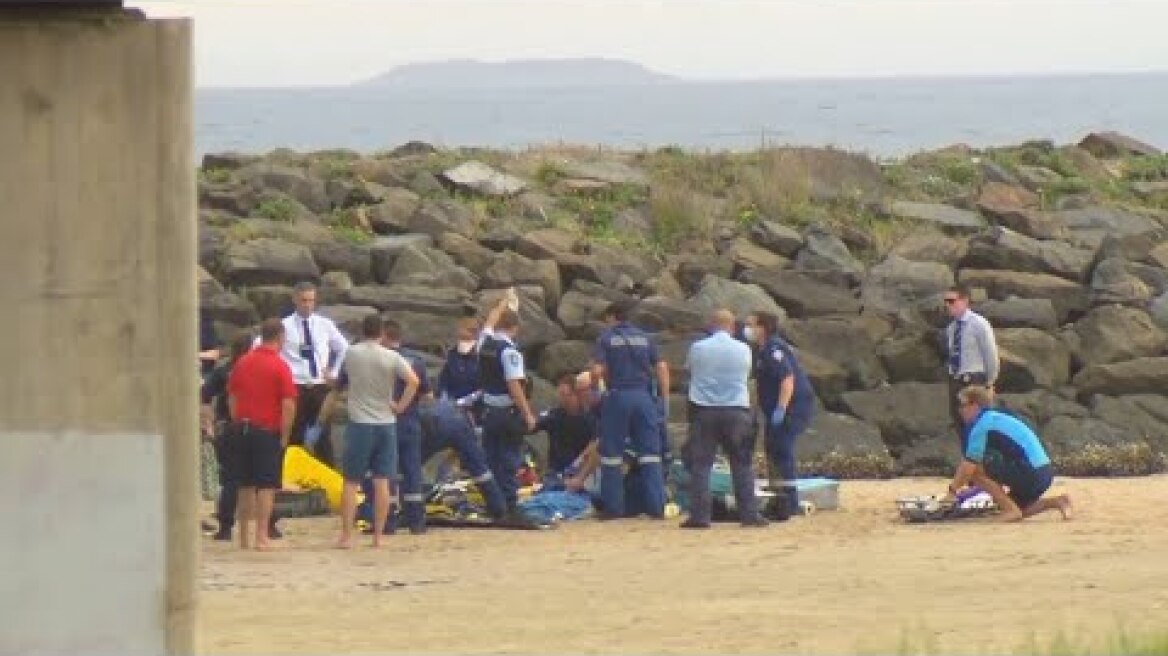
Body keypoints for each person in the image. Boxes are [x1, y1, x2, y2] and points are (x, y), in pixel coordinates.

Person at [329, 314, 420, 549]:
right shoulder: (391, 356)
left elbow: (340, 380)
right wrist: (400, 406)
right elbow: (414, 381)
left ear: (362, 331)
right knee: (383, 482)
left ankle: (347, 535)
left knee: (351, 482)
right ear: (382, 333)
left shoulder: (352, 353)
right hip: (386, 423)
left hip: (360, 422)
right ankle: (379, 536)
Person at [682, 309, 767, 529]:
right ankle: (749, 515)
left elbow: (691, 371)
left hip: (704, 409)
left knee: (701, 465)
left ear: (712, 325)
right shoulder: (743, 349)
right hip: (736, 410)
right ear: (732, 327)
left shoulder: (698, 348)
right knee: (742, 464)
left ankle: (700, 516)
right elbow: (746, 375)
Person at [944, 385, 1072, 522]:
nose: (960, 410)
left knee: (975, 470)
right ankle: (1058, 501)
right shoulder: (998, 416)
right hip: (1045, 472)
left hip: (1031, 472)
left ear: (974, 405)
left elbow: (968, 467)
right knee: (1021, 509)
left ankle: (1009, 510)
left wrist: (952, 492)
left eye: (962, 405)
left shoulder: (981, 425)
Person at [591, 300, 671, 519]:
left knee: (612, 456)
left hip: (618, 397)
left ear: (611, 318)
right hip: (644, 398)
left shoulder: (606, 339)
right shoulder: (646, 338)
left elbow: (597, 371)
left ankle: (613, 508)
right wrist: (664, 398)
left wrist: (596, 392)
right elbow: (662, 367)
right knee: (651, 454)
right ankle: (656, 507)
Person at [226, 318, 298, 550]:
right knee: (266, 485)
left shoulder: (242, 362)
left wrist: (237, 419)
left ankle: (244, 537)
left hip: (242, 427)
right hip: (266, 430)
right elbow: (288, 404)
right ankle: (261, 536)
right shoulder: (280, 366)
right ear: (280, 338)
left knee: (245, 484)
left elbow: (232, 397)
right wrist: (284, 434)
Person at [202, 330, 280, 541]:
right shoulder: (256, 367)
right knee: (263, 479)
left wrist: (210, 423)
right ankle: (268, 525)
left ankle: (227, 526)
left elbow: (205, 397)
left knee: (232, 480)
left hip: (230, 426)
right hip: (255, 425)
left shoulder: (224, 370)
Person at [744, 310, 816, 519]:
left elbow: (787, 379)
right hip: (775, 407)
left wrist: (781, 408)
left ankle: (789, 501)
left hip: (791, 407)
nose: (748, 330)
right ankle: (779, 498)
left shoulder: (774, 350)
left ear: (762, 328)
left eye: (752, 325)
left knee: (782, 451)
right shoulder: (762, 350)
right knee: (773, 450)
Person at [478, 306, 538, 523]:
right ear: (516, 327)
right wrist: (527, 413)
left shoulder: (484, 344)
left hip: (487, 410)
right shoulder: (510, 352)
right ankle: (509, 506)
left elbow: (487, 325)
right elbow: (514, 385)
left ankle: (493, 504)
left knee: (490, 458)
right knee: (509, 459)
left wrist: (502, 303)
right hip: (507, 412)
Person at [278, 281, 349, 466]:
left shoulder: (324, 324)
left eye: (311, 300)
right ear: (294, 300)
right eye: (303, 300)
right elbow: (263, 346)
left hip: (319, 385)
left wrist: (333, 371)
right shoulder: (283, 326)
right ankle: (291, 476)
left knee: (323, 436)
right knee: (295, 434)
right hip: (295, 386)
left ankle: (328, 477)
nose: (307, 304)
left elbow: (343, 348)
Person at [943, 285, 999, 445]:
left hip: (974, 379)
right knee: (959, 423)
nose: (948, 305)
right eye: (946, 301)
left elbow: (991, 354)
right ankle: (969, 462)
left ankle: (982, 464)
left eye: (951, 301)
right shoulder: (951, 328)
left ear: (964, 301)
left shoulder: (979, 324)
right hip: (955, 379)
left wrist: (990, 382)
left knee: (979, 424)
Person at [536, 372, 602, 491]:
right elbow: (533, 425)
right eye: (560, 395)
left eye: (565, 395)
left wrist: (577, 472)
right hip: (556, 473)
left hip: (582, 474)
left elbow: (595, 447)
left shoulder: (592, 420)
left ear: (576, 395)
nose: (562, 399)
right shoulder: (554, 415)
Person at [437, 316, 483, 406]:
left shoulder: (483, 358)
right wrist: (444, 396)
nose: (462, 342)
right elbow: (444, 379)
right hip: (450, 403)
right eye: (460, 338)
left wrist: (465, 401)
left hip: (475, 407)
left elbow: (485, 387)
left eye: (465, 339)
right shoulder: (452, 354)